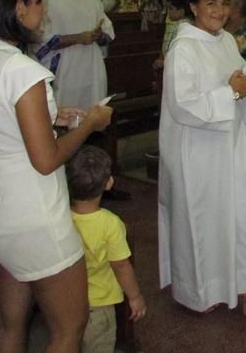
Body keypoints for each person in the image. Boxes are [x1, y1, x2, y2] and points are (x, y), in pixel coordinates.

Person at [0, 0, 112, 352]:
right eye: (39, 1)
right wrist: (90, 124)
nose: (44, 11)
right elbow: (46, 159)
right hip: (30, 215)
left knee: (9, 325)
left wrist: (51, 117)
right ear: (19, 6)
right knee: (69, 327)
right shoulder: (22, 71)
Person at [158, 0, 246, 316]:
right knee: (204, 222)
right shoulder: (183, 49)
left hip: (231, 145)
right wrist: (232, 92)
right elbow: (183, 105)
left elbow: (238, 84)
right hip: (197, 152)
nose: (219, 11)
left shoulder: (227, 42)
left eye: (224, 4)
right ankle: (199, 292)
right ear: (194, 7)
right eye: (211, 3)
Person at [67, 145, 146, 352]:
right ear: (109, 182)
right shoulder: (110, 224)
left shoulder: (62, 217)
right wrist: (135, 296)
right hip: (99, 305)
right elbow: (121, 265)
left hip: (66, 300)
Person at [34, 0, 115, 109]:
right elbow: (39, 41)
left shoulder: (93, 1)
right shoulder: (46, 0)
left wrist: (99, 36)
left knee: (93, 117)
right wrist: (78, 38)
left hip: (93, 73)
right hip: (62, 76)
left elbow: (108, 35)